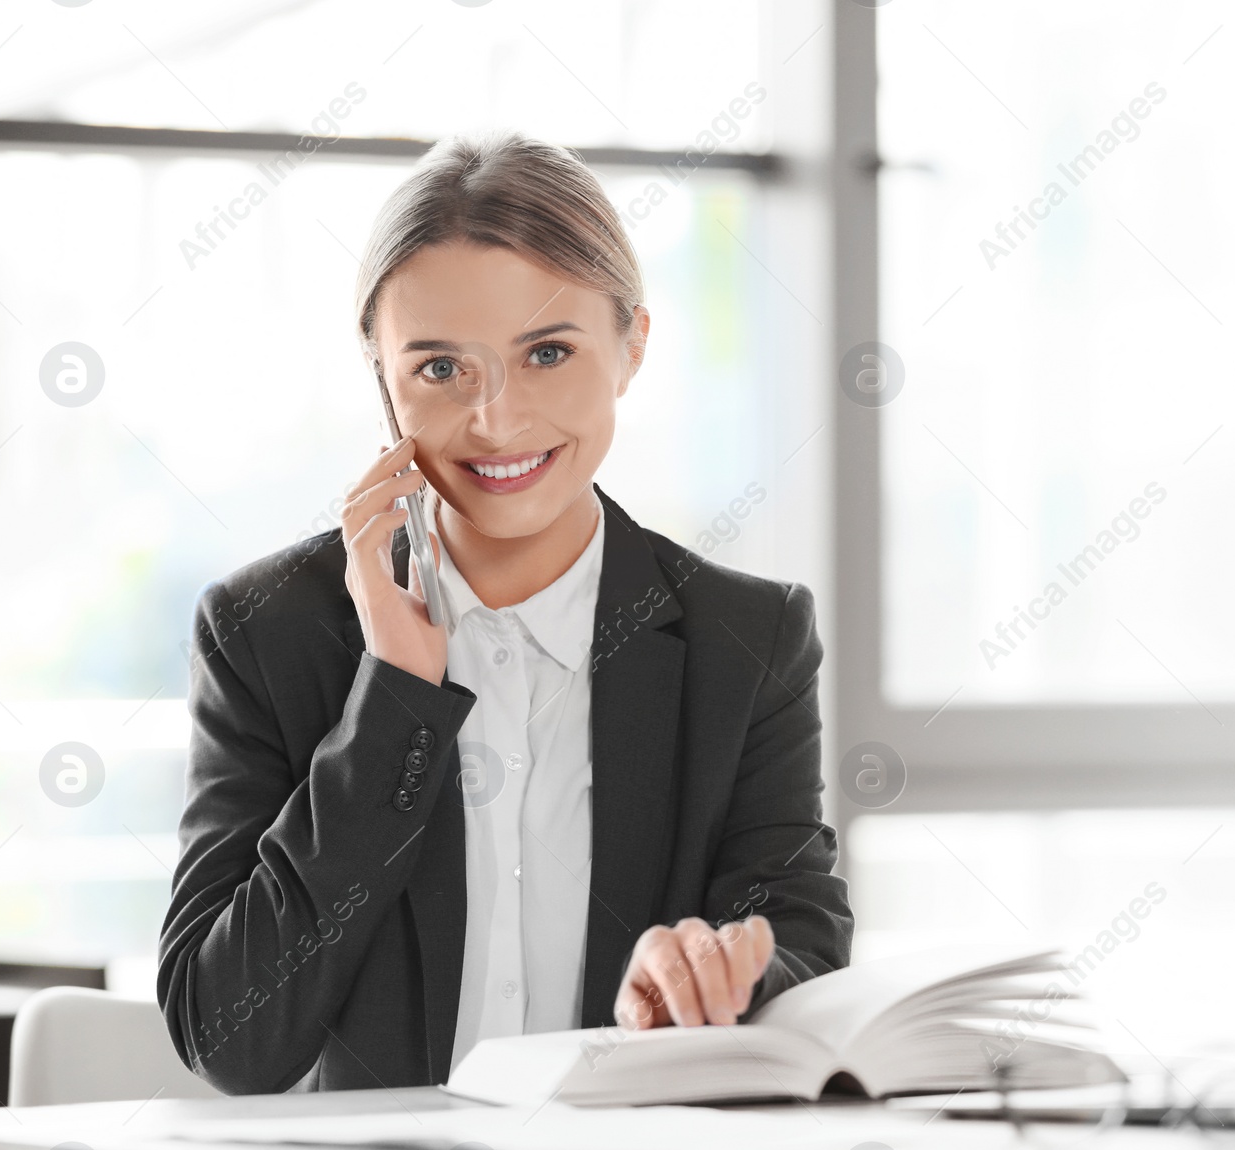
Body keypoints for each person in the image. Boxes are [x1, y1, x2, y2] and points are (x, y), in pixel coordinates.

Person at [157, 130, 852, 1093]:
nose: (498, 420)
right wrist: (392, 697)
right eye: (441, 369)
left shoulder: (750, 641)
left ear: (632, 345)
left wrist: (719, 980)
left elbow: (805, 955)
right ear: (382, 373)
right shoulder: (268, 632)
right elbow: (231, 1040)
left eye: (548, 353)